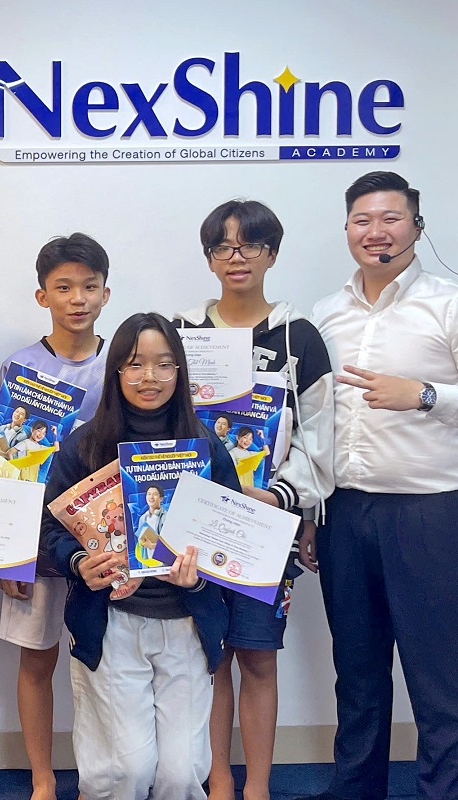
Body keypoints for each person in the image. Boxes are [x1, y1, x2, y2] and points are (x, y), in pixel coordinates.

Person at [299, 171, 458, 800]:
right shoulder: (324, 315)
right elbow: (313, 423)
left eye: (391, 218)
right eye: (362, 220)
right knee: (357, 671)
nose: (376, 232)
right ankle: (355, 789)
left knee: (438, 674)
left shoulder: (447, 303)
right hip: (344, 512)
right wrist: (311, 512)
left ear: (417, 226)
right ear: (346, 229)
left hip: (429, 513)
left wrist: (423, 395)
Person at [43, 312, 241, 800]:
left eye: (163, 364)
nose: (149, 377)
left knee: (182, 773)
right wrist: (78, 563)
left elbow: (231, 533)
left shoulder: (205, 445)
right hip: (113, 620)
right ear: (116, 371)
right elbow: (50, 527)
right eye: (135, 364)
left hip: (186, 622)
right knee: (125, 771)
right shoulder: (86, 444)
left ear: (180, 371)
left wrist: (200, 576)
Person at [174, 199, 334, 800]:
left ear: (272, 254)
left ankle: (259, 785)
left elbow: (321, 435)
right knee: (211, 655)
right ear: (208, 257)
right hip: (196, 522)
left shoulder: (299, 336)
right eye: (223, 246)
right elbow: (163, 421)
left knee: (259, 656)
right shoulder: (183, 332)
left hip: (269, 522)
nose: (236, 257)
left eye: (250, 245)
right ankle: (219, 779)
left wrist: (283, 495)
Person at [0, 232, 111, 800]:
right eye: (63, 287)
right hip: (36, 535)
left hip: (103, 534)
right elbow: (2, 464)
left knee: (102, 661)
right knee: (36, 659)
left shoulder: (122, 363)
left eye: (89, 286)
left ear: (106, 293)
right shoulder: (19, 366)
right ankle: (42, 779)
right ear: (42, 296)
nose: (77, 299)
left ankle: (98, 776)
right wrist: (8, 553)